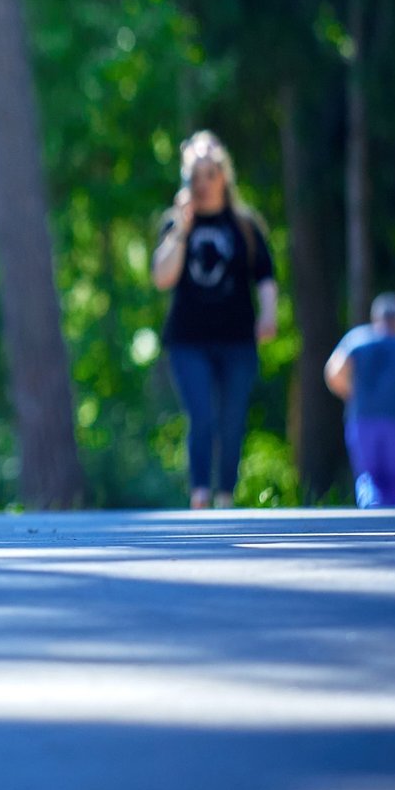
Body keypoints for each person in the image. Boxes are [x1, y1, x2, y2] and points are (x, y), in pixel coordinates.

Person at [151, 130, 278, 510]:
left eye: (210, 174)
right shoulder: (175, 225)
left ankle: (225, 496)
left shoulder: (245, 225)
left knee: (232, 419)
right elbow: (162, 277)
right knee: (202, 416)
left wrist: (269, 314)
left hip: (238, 339)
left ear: (224, 176)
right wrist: (182, 229)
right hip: (188, 341)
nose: (203, 183)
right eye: (196, 176)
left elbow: (266, 276)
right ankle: (200, 495)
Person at [325, 293, 395, 509]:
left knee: (368, 477)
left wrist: (352, 394)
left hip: (363, 418)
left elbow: (333, 371)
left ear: (375, 317)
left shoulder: (357, 340)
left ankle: (371, 516)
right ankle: (392, 524)